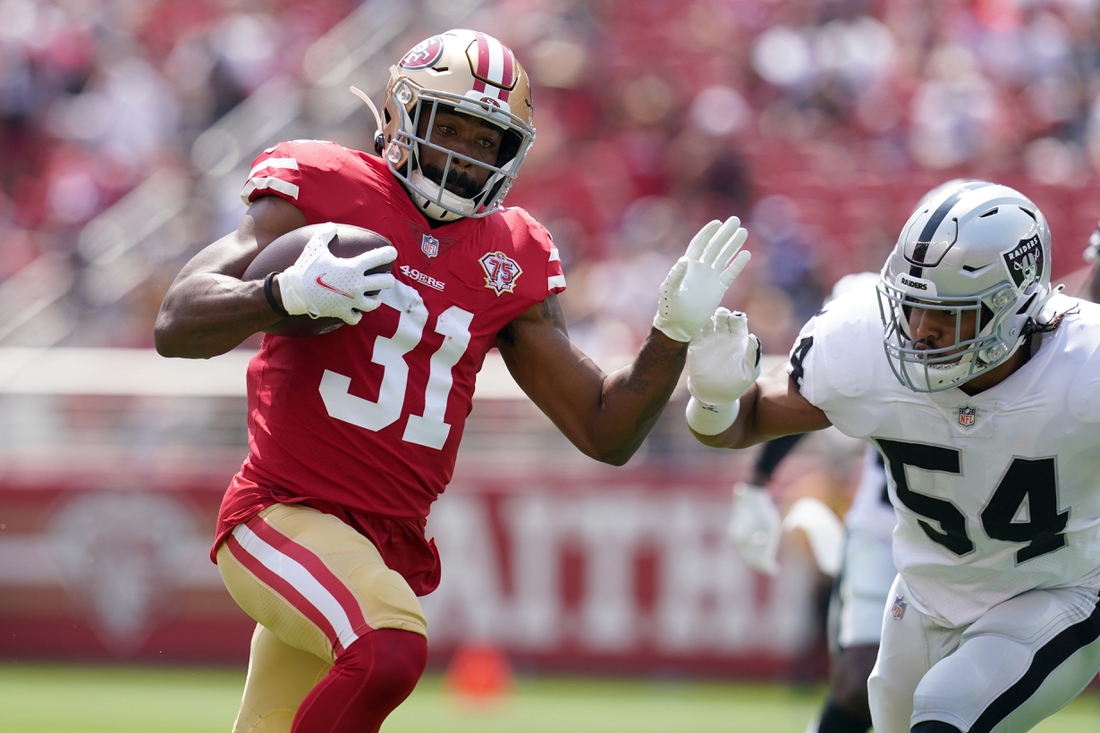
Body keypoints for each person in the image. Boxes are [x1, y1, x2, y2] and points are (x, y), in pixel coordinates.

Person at [154, 29, 751, 733]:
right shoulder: (329, 188)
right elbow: (175, 320)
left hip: (382, 542)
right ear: (403, 115)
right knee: (388, 646)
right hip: (280, 512)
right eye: (453, 128)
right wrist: (280, 296)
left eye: (488, 142)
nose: (466, 157)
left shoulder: (511, 252)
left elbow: (604, 427)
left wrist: (670, 334)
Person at [685, 179, 1100, 733]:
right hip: (925, 594)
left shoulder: (1085, 364)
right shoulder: (865, 344)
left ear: (1013, 309)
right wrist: (714, 398)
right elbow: (742, 425)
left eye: (950, 313)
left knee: (946, 713)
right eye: (914, 305)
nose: (921, 332)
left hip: (1056, 592)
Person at [728, 272, 896, 733]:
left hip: (964, 541)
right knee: (860, 684)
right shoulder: (851, 368)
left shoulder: (932, 355)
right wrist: (758, 481)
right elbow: (806, 404)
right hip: (882, 529)